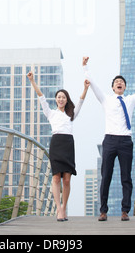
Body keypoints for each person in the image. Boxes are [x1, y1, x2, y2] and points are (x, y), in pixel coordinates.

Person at [82, 56, 135, 221]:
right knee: (106, 177)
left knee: (126, 177)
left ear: (124, 87)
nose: (119, 83)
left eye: (122, 82)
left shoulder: (130, 100)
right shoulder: (106, 99)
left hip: (125, 141)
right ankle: (103, 211)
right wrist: (85, 67)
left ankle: (125, 211)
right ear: (112, 87)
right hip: (110, 140)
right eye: (116, 81)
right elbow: (93, 84)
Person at [27, 71, 90, 221]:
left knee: (67, 179)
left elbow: (81, 101)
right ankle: (59, 209)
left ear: (67, 100)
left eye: (64, 97)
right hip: (56, 144)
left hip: (68, 144)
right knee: (56, 178)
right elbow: (41, 97)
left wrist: (85, 88)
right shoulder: (51, 113)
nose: (61, 99)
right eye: (59, 97)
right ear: (56, 100)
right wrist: (32, 81)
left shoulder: (71, 114)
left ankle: (63, 207)